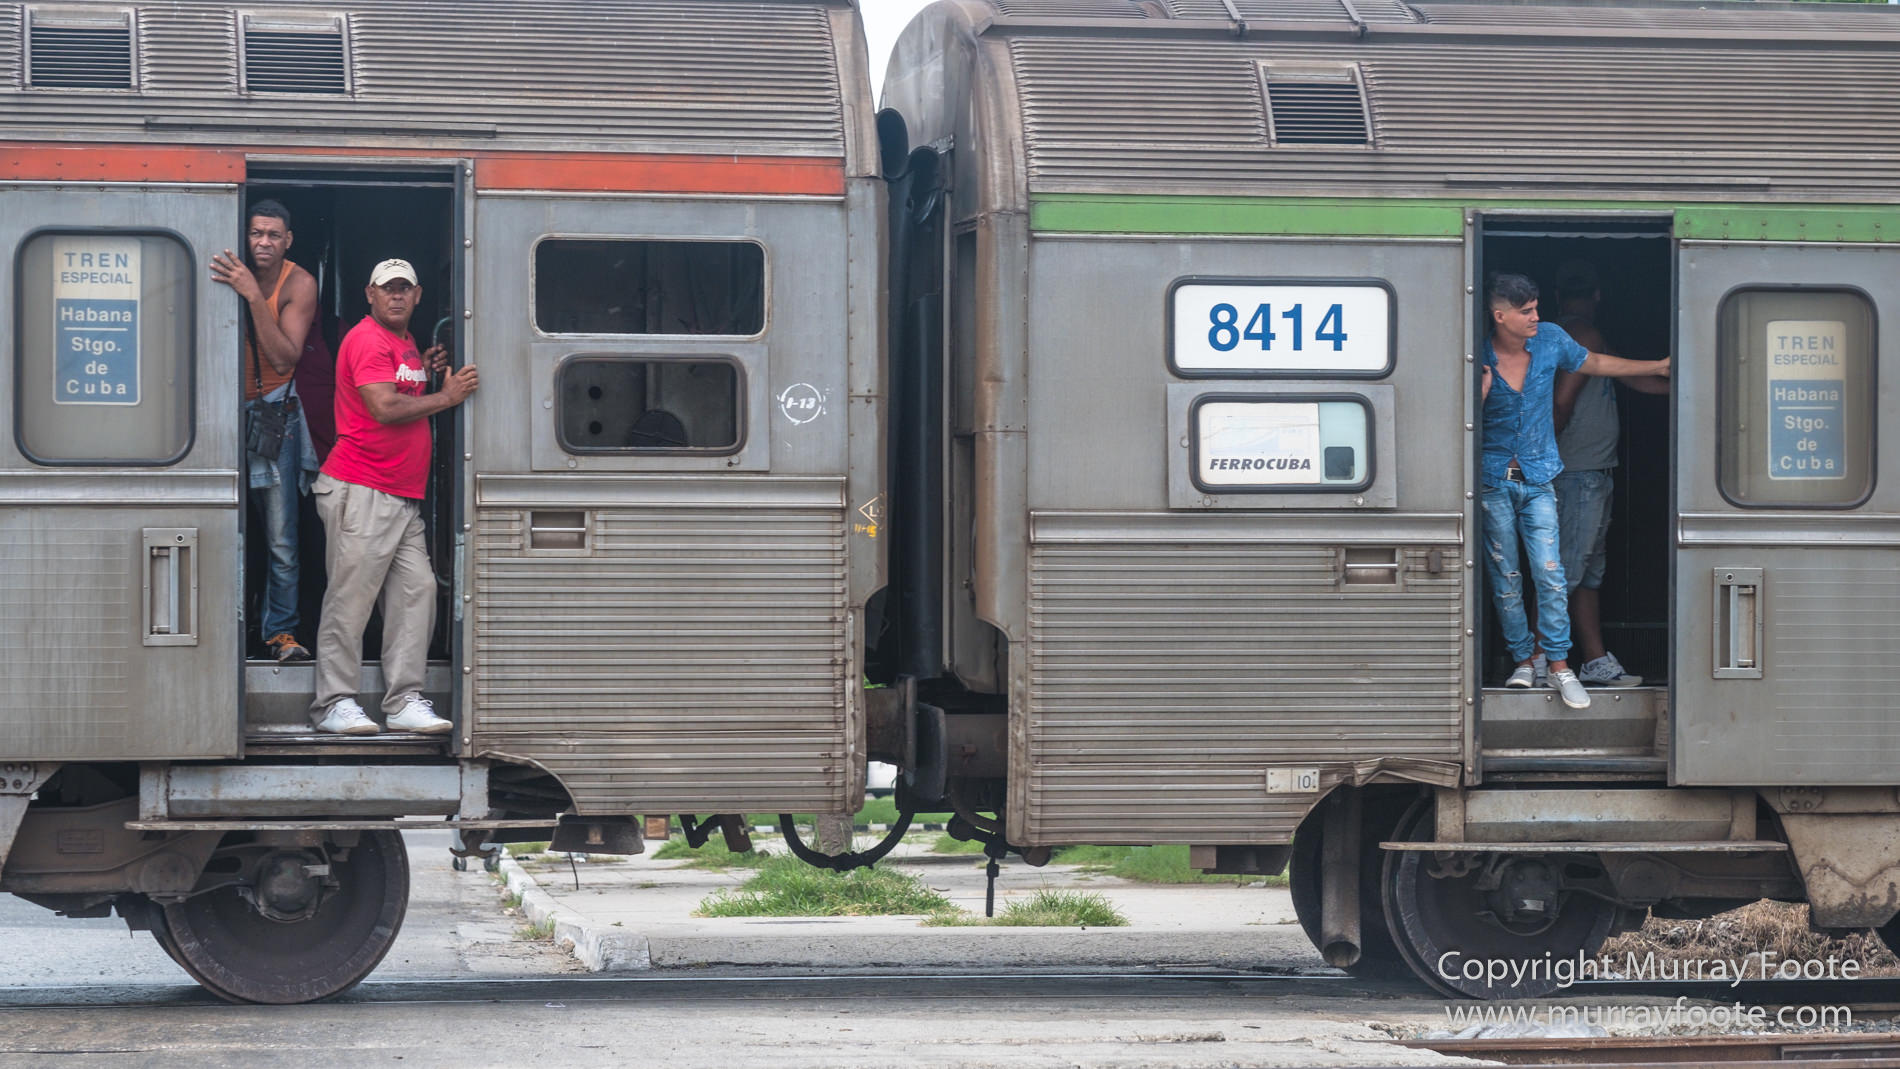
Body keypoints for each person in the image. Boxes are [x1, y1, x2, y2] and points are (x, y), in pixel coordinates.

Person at [1479, 273, 1668, 710]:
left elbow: (1595, 362)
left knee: (1551, 573)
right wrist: (1480, 396)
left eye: (1536, 307)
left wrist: (1656, 366)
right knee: (1506, 579)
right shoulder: (1479, 355)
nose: (1536, 317)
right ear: (1500, 316)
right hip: (1494, 481)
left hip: (1540, 478)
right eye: (1526, 311)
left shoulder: (1550, 340)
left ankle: (1559, 666)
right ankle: (1524, 661)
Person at [308, 259, 479, 735]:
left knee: (416, 591)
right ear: (370, 294)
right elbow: (383, 407)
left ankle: (403, 701)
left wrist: (422, 364)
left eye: (405, 288)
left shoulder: (401, 341)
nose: (396, 295)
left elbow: (397, 383)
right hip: (363, 487)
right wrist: (447, 397)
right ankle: (333, 703)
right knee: (350, 600)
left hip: (399, 493)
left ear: (417, 295)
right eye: (388, 289)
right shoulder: (367, 338)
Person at [1551, 260, 1671, 688]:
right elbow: (1562, 403)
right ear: (1598, 295)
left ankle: (1594, 659)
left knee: (1585, 573)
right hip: (1578, 470)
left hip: (1590, 470)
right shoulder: (1583, 335)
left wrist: (1692, 389)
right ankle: (1538, 660)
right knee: (1565, 573)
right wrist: (1539, 458)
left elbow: (1633, 382)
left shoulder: (1576, 333)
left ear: (1558, 295)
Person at [211, 200, 319, 664]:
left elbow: (283, 358)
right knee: (220, 523)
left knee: (280, 536)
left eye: (274, 235)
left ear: (288, 240)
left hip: (274, 412)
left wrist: (254, 296)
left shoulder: (299, 283)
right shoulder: (226, 266)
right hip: (217, 411)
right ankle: (220, 627)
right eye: (256, 233)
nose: (264, 243)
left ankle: (280, 632)